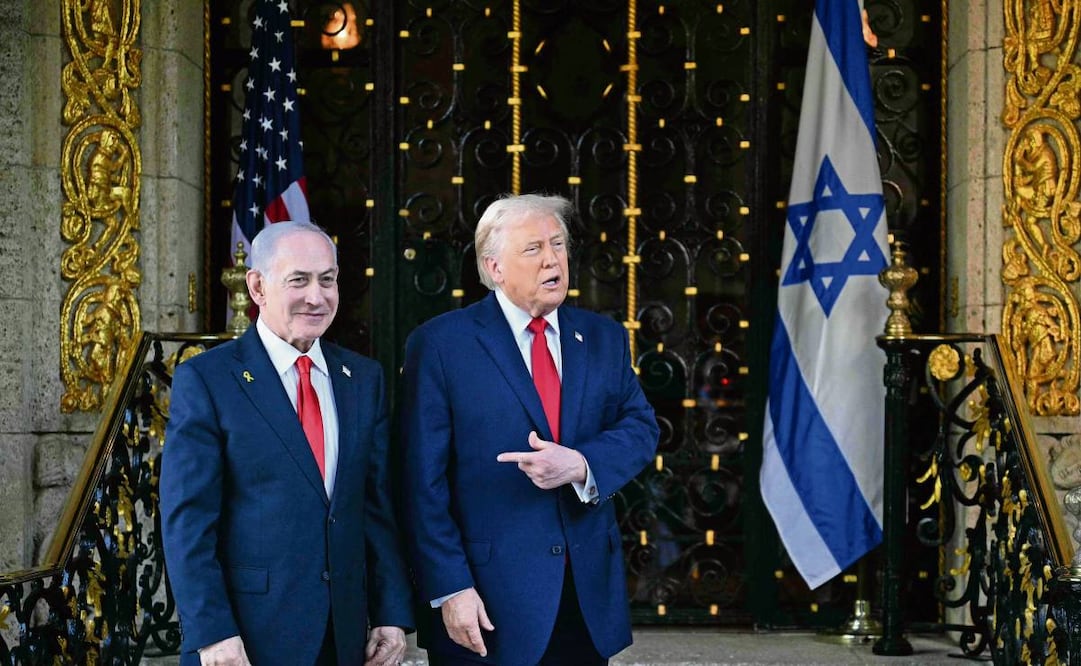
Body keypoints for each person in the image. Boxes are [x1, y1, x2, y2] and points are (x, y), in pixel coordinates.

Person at [401, 193, 659, 666]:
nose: (552, 260)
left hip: (583, 602)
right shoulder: (440, 345)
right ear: (494, 267)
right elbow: (421, 482)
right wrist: (449, 587)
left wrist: (582, 464)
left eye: (558, 245)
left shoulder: (602, 337)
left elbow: (641, 426)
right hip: (485, 602)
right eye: (533, 249)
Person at [160, 221, 413, 666]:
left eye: (328, 280)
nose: (317, 297)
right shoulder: (208, 379)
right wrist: (212, 632)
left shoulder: (363, 378)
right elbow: (188, 521)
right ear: (257, 286)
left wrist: (391, 612)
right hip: (246, 639)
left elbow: (375, 507)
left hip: (347, 637)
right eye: (299, 280)